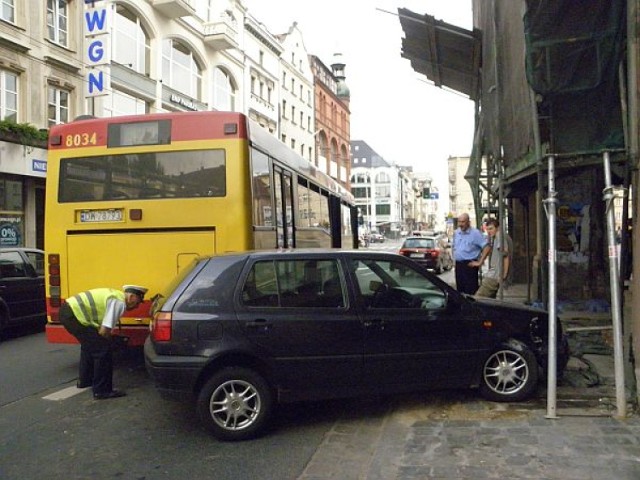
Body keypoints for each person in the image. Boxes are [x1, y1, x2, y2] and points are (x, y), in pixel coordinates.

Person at [59, 285, 148, 400]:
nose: (137, 306)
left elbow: (100, 327)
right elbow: (104, 330)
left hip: (68, 312)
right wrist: (111, 342)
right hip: (74, 315)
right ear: (131, 297)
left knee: (89, 346)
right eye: (137, 302)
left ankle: (85, 381)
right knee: (103, 351)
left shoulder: (115, 296)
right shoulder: (119, 302)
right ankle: (102, 391)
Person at [471, 218, 513, 298]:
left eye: (491, 228)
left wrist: (503, 275)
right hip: (494, 275)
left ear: (497, 227)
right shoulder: (500, 236)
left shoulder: (499, 237)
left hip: (493, 276)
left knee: (477, 299)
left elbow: (506, 257)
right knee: (489, 301)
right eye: (487, 229)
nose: (489, 232)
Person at [452, 213, 490, 295]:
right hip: (459, 266)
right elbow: (454, 247)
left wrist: (480, 262)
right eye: (459, 222)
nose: (460, 224)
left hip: (470, 265)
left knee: (470, 292)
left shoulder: (475, 233)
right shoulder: (457, 233)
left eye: (463, 222)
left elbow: (487, 247)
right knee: (460, 292)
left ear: (468, 222)